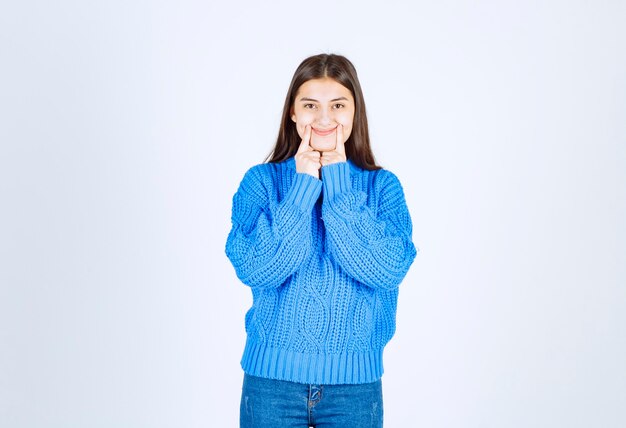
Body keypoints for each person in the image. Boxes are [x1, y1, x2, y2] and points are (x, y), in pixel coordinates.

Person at [225, 53, 418, 428]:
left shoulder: (383, 187)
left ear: (353, 112)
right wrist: (302, 186)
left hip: (355, 387)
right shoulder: (261, 182)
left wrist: (338, 181)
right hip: (271, 382)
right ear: (293, 113)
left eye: (338, 105)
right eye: (310, 105)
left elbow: (386, 271)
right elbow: (257, 269)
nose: (325, 118)